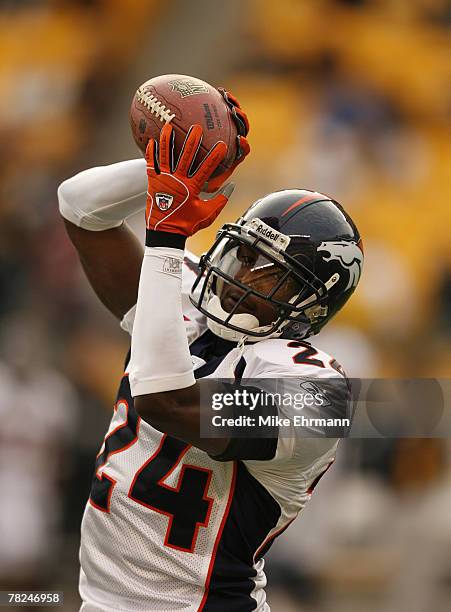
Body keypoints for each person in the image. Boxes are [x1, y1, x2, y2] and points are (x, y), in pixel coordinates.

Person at [58, 93, 363, 611]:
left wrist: (166, 237)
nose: (243, 276)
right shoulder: (183, 296)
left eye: (272, 273)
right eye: (244, 252)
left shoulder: (317, 395)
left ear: (312, 304)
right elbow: (80, 207)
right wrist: (182, 170)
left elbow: (166, 402)